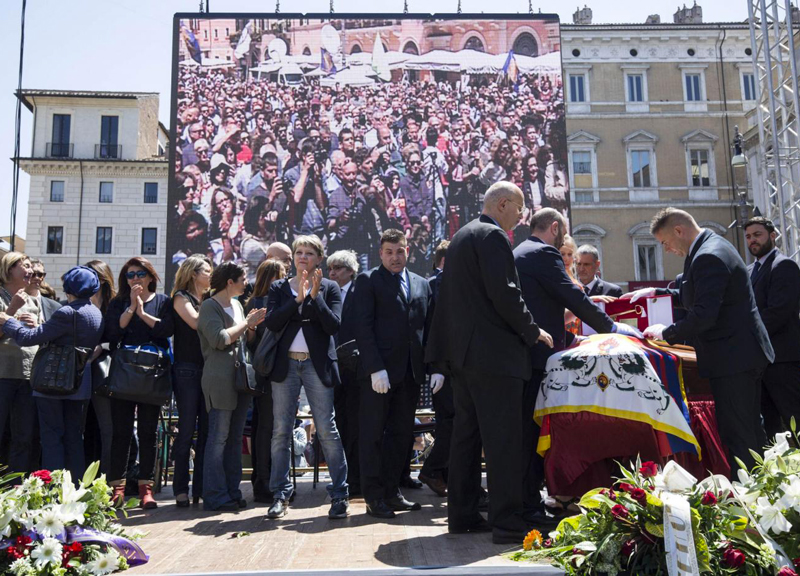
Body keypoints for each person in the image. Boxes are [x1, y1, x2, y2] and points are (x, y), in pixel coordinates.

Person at [425, 181, 553, 544]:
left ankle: (462, 514)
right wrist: (532, 330)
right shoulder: (493, 236)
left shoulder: (462, 236)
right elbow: (505, 292)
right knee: (503, 441)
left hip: (465, 358)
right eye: (519, 208)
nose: (521, 217)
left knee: (467, 438)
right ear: (502, 204)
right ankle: (507, 521)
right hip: (496, 358)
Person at [628, 208, 774, 473]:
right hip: (740, 354)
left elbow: (705, 314)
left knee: (738, 434)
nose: (666, 249)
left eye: (665, 242)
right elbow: (696, 292)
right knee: (749, 429)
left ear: (678, 231)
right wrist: (658, 292)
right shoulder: (710, 246)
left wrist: (666, 333)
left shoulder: (707, 255)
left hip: (733, 358)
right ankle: (762, 486)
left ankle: (749, 491)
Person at [513, 209, 632, 520]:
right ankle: (527, 505)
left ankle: (527, 501)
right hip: (537, 358)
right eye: (563, 234)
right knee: (530, 434)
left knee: (525, 433)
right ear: (554, 227)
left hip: (522, 356)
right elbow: (573, 298)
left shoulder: (520, 252)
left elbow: (542, 307)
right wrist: (613, 328)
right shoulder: (543, 254)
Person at [355, 229, 439, 520]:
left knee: (401, 435)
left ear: (408, 251)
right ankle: (373, 497)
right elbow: (363, 327)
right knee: (373, 435)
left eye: (399, 251)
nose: (395, 257)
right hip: (379, 375)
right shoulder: (368, 280)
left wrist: (435, 368)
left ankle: (392, 492)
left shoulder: (421, 284)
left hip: (410, 374)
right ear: (380, 253)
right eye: (389, 252)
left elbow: (429, 329)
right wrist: (375, 368)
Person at [264, 236, 349, 520]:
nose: (302, 257)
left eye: (309, 253)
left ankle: (339, 494)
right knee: (281, 431)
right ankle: (280, 494)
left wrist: (314, 296)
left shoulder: (330, 287)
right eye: (299, 252)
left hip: (316, 364)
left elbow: (333, 325)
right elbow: (272, 321)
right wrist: (297, 300)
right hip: (285, 365)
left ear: (319, 258)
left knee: (326, 428)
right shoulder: (279, 287)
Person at [0, 266, 104, 479]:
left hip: (53, 382)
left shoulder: (67, 312)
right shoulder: (95, 312)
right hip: (80, 383)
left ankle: (54, 489)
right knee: (74, 438)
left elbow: (28, 338)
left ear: (68, 288)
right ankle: (74, 487)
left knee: (52, 438)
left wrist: (8, 322)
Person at [105, 257, 175, 509]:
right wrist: (132, 307)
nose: (135, 278)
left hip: (151, 375)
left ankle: (147, 488)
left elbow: (165, 331)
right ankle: (118, 489)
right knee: (121, 432)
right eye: (130, 275)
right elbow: (113, 332)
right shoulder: (118, 302)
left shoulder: (163, 301)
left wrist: (143, 313)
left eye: (140, 274)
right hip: (124, 373)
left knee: (148, 432)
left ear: (150, 277)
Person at [197, 262, 266, 512]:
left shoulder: (237, 305)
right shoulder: (209, 306)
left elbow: (243, 340)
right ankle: (215, 496)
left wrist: (250, 328)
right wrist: (246, 323)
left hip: (239, 380)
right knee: (218, 439)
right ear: (230, 282)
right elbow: (220, 339)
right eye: (243, 279)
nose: (246, 283)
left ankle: (232, 492)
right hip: (219, 380)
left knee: (235, 439)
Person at [743, 217, 800, 439]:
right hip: (759, 362)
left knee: (794, 419)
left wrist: (745, 334)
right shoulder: (749, 270)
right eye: (748, 236)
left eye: (757, 235)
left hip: (783, 360)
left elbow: (778, 312)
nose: (752, 240)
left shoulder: (784, 265)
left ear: (773, 235)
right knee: (770, 428)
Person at [171, 255, 213, 507]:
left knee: (206, 431)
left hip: (208, 369)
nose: (210, 274)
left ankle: (201, 487)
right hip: (186, 369)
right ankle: (180, 489)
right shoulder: (181, 297)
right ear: (193, 273)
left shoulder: (208, 299)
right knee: (186, 430)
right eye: (206, 270)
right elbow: (197, 323)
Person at [246, 259, 287, 503]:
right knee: (269, 429)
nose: (285, 279)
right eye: (281, 274)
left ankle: (263, 480)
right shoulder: (264, 304)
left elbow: (251, 343)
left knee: (265, 428)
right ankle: (265, 482)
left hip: (263, 372)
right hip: (272, 371)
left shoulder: (253, 302)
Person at [418, 240, 452, 498]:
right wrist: (437, 367)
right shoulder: (436, 285)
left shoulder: (439, 284)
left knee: (452, 422)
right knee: (452, 423)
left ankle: (442, 473)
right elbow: (435, 328)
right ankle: (432, 469)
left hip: (450, 366)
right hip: (444, 367)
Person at [327, 249, 361, 496]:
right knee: (336, 424)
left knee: (355, 423)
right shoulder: (325, 293)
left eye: (337, 268)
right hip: (331, 368)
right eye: (330, 268)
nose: (332, 273)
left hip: (356, 369)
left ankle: (356, 478)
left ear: (350, 271)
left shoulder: (361, 293)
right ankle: (340, 477)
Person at [0, 252, 38, 474]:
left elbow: (42, 337)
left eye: (31, 266)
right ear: (9, 269)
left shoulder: (33, 300)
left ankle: (16, 486)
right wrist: (11, 310)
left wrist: (38, 327)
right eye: (25, 265)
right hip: (3, 375)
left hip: (28, 376)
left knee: (23, 436)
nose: (30, 271)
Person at [84, 259, 116, 475]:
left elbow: (119, 337)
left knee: (107, 429)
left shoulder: (114, 305)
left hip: (105, 372)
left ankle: (105, 479)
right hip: (81, 371)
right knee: (85, 428)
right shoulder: (81, 303)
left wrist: (101, 347)